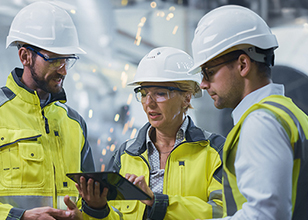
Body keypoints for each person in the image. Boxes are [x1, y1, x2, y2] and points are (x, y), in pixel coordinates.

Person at [0, 2, 94, 220]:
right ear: (25, 56)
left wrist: (89, 213)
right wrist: (19, 216)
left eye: (67, 60)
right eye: (54, 60)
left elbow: (89, 203)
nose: (63, 70)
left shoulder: (75, 123)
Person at [189, 5, 308, 220]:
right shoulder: (290, 114)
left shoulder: (260, 123)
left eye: (209, 72)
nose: (204, 84)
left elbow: (266, 214)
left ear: (243, 64)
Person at [77, 47, 225, 220]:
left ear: (187, 98)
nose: (149, 103)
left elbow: (222, 212)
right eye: (144, 93)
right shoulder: (126, 154)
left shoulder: (214, 151)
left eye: (160, 94)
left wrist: (158, 202)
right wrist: (97, 209)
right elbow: (115, 215)